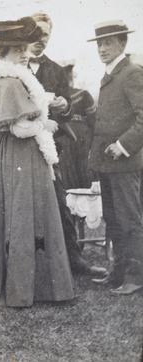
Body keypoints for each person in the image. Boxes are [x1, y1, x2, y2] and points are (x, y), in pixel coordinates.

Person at [0, 17, 74, 307]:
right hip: (20, 152)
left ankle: (34, 284)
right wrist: (46, 127)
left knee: (26, 215)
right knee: (20, 215)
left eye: (22, 47)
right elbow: (18, 128)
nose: (23, 53)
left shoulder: (12, 79)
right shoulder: (9, 82)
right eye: (15, 49)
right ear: (2, 52)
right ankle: (23, 287)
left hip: (19, 155)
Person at [28, 12, 106, 277]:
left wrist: (64, 106)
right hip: (20, 147)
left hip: (49, 149)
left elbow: (66, 108)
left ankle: (74, 261)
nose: (41, 40)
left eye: (45, 35)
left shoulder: (56, 70)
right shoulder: (14, 66)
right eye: (36, 34)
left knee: (59, 204)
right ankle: (21, 263)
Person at [87, 20, 143, 295]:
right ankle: (118, 271)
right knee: (112, 217)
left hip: (125, 161)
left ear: (123, 43)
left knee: (129, 218)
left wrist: (122, 145)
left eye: (108, 42)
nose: (102, 48)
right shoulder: (110, 74)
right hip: (107, 163)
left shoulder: (132, 72)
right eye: (99, 43)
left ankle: (136, 275)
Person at [56, 60, 96, 189]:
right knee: (84, 171)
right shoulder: (83, 94)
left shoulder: (54, 98)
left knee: (67, 173)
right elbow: (93, 121)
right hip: (82, 137)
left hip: (64, 136)